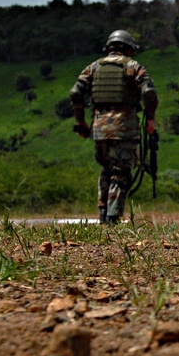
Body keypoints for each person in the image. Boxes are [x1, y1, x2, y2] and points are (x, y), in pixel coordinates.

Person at [70, 30, 158, 225]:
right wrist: (150, 119)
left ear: (109, 48)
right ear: (128, 49)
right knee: (121, 171)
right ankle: (113, 217)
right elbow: (149, 92)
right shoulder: (133, 67)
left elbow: (76, 93)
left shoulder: (93, 67)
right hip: (123, 127)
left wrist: (80, 122)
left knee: (107, 170)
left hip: (99, 128)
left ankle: (103, 214)